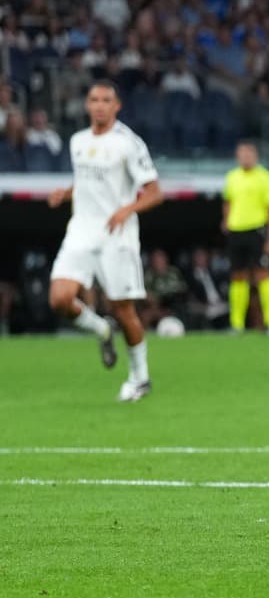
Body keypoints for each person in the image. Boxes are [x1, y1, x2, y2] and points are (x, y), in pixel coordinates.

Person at [46, 81, 163, 402]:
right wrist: (66, 193)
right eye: (94, 99)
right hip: (81, 231)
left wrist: (126, 209)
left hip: (116, 236)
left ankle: (140, 378)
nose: (99, 105)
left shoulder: (128, 143)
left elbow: (154, 192)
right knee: (59, 299)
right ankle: (102, 330)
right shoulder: (78, 141)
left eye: (106, 100)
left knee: (123, 309)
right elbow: (88, 182)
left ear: (117, 106)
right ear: (87, 105)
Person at [222, 141, 269, 335]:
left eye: (248, 154)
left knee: (263, 274)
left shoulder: (264, 177)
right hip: (236, 231)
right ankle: (237, 325)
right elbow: (228, 202)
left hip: (257, 231)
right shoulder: (232, 177)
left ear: (255, 156)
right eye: (242, 154)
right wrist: (226, 220)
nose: (245, 158)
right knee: (237, 276)